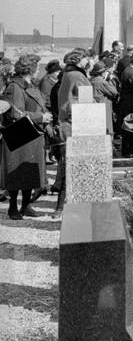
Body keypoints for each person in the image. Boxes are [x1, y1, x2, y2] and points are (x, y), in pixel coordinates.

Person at [1, 55, 51, 219]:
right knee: (17, 172)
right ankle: (13, 207)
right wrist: (40, 117)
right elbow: (16, 113)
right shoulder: (15, 87)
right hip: (20, 135)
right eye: (36, 67)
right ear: (30, 69)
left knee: (29, 171)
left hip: (32, 136)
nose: (38, 70)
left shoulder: (29, 85)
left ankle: (26, 205)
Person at [53, 50, 91, 219]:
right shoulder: (77, 75)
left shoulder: (68, 74)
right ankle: (64, 208)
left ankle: (61, 207)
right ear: (79, 60)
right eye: (86, 58)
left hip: (68, 123)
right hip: (76, 124)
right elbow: (87, 99)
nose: (88, 60)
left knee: (67, 166)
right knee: (74, 168)